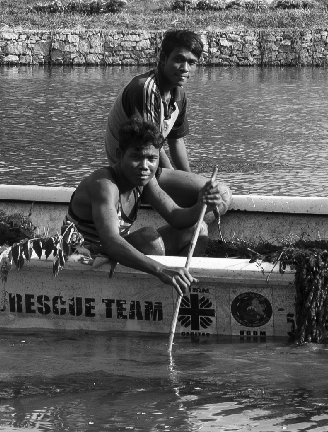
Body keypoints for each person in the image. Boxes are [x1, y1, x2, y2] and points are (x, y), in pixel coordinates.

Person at [67, 119, 223, 301]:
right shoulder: (104, 184)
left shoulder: (145, 180)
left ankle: (179, 289)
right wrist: (161, 270)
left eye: (152, 159)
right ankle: (156, 289)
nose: (144, 166)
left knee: (199, 228)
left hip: (113, 250)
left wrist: (201, 204)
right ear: (119, 155)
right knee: (150, 240)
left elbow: (175, 216)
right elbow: (110, 241)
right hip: (87, 255)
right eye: (136, 157)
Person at [108, 29, 231, 217]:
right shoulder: (146, 89)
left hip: (151, 166)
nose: (185, 68)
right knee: (220, 193)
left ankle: (186, 230)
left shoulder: (178, 94)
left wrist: (187, 177)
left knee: (211, 192)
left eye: (192, 62)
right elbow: (149, 146)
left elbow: (176, 141)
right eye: (179, 59)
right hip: (134, 170)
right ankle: (186, 230)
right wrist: (177, 177)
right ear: (163, 58)